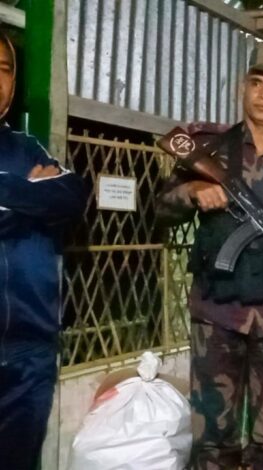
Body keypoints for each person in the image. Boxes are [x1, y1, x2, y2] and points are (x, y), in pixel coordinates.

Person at [156, 36, 263, 469]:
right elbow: (161, 209)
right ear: (242, 88)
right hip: (216, 311)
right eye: (256, 83)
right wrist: (193, 191)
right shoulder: (208, 148)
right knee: (214, 435)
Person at [0, 31, 87, 470]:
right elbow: (46, 201)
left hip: (29, 347)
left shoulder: (26, 147)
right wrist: (30, 195)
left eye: (3, 70)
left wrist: (7, 193)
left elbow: (72, 196)